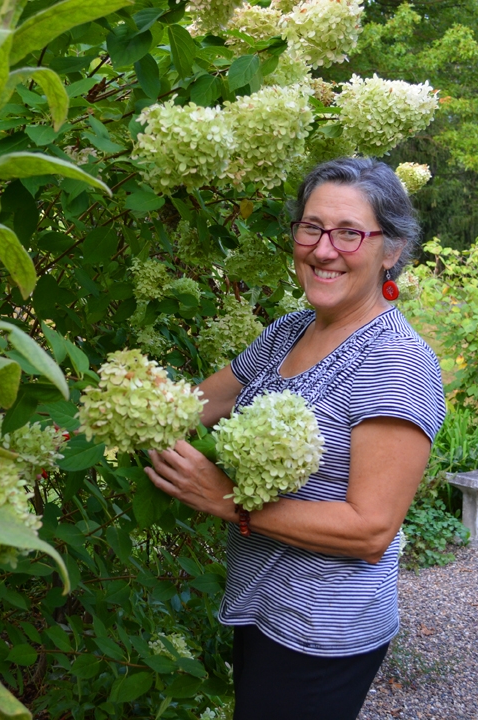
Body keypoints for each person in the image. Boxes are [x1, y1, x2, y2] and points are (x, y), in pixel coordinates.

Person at [144, 157, 447, 719]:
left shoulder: (395, 362)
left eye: (350, 233)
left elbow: (371, 529)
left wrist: (223, 500)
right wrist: (114, 407)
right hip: (263, 603)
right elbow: (206, 402)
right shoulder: (292, 329)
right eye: (311, 227)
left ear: (392, 250)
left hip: (322, 629)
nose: (324, 249)